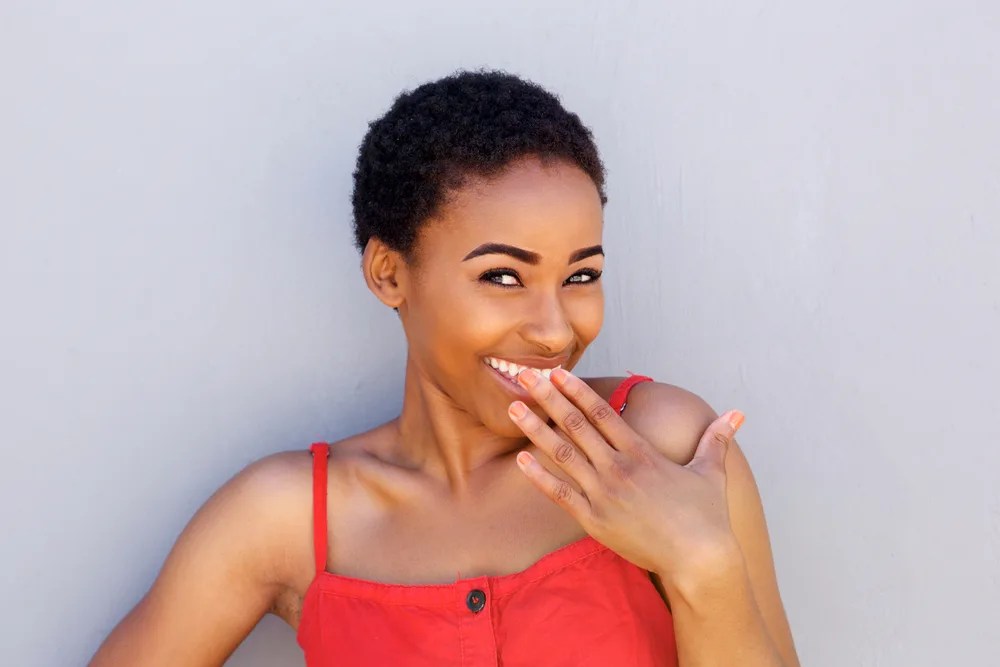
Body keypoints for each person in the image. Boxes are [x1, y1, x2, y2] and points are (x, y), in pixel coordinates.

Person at [89, 70, 799, 667]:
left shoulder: (669, 447)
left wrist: (705, 565)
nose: (555, 330)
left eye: (582, 276)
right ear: (389, 273)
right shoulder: (286, 520)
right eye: (502, 276)